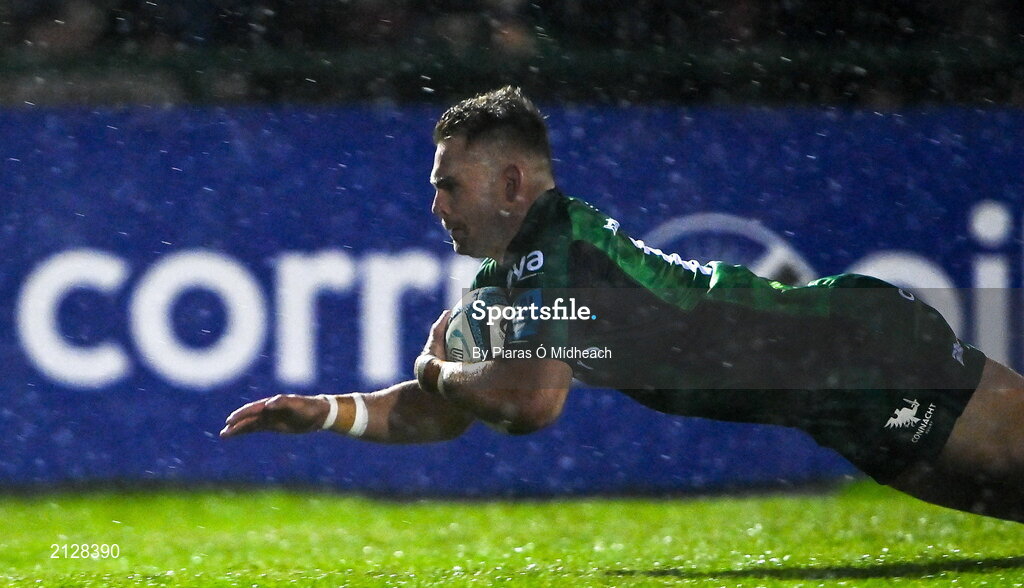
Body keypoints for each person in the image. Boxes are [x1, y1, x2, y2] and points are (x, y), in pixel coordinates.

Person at [221, 86, 1024, 523]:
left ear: (508, 184)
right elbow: (453, 409)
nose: (435, 206)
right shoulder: (514, 277)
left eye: (446, 185)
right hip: (833, 401)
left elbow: (523, 403)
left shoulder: (556, 255)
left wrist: (437, 371)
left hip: (858, 354)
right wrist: (325, 412)